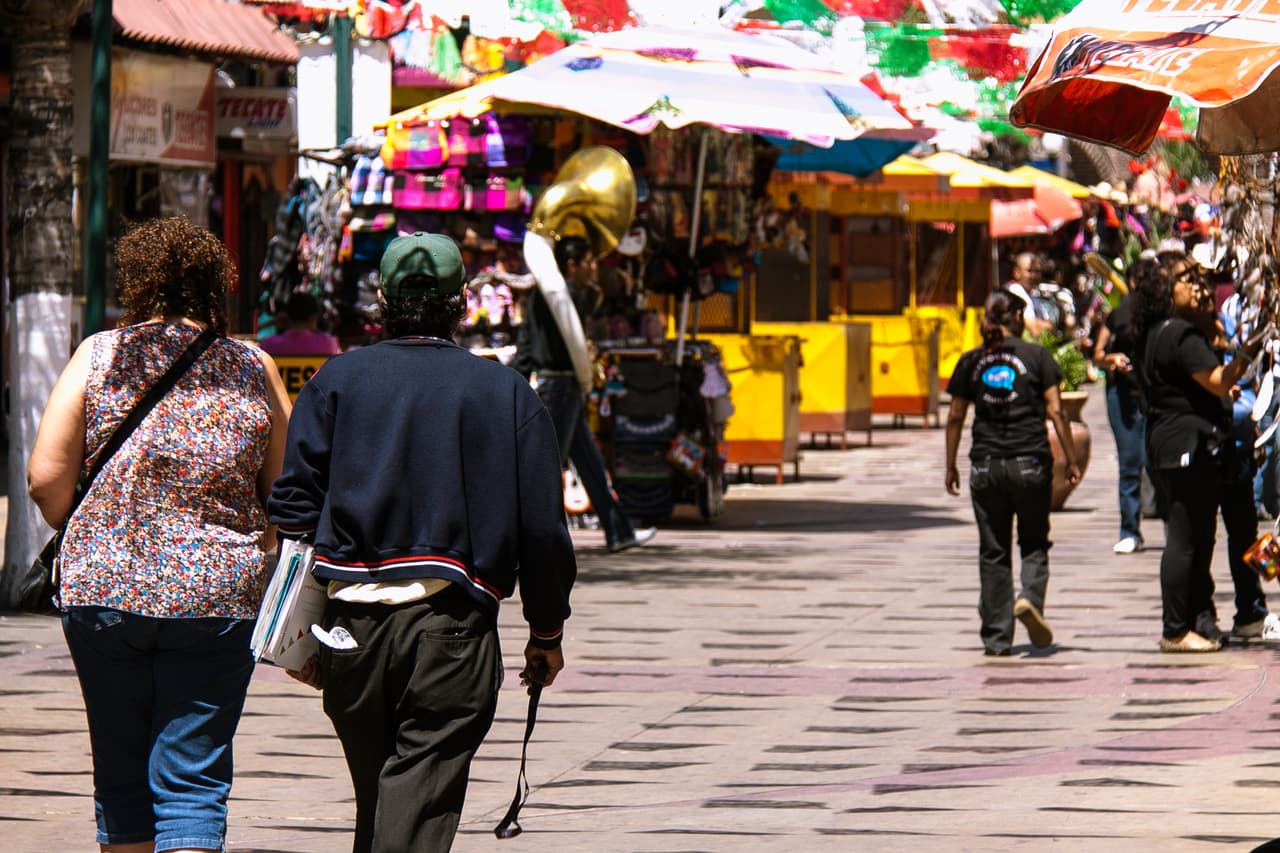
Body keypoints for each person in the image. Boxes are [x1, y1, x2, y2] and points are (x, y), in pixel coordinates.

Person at [269, 232, 576, 853]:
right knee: (411, 807)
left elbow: (294, 506)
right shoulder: (506, 393)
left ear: (380, 300)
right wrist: (545, 632)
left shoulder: (337, 381)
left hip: (349, 632)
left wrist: (296, 620)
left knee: (383, 801)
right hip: (450, 633)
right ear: (462, 301)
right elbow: (543, 529)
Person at [27, 215, 293, 853]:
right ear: (215, 286)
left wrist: (99, 531)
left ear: (138, 282)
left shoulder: (98, 355)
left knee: (119, 770)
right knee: (193, 780)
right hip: (218, 594)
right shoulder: (253, 365)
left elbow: (44, 479)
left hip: (104, 588)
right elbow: (286, 490)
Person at [1128, 249, 1263, 652]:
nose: (1197, 285)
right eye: (1186, 278)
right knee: (1186, 540)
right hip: (1186, 444)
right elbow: (1220, 381)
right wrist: (1248, 352)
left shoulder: (1158, 330)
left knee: (1198, 537)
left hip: (1170, 442)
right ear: (1167, 290)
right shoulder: (1181, 334)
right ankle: (1175, 630)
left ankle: (1197, 621)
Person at [945, 289, 1081, 656]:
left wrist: (950, 465)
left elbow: (956, 415)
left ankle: (996, 637)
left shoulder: (971, 360)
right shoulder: (1037, 356)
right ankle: (1031, 598)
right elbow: (1056, 411)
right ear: (1018, 318)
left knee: (993, 550)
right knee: (1034, 541)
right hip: (1030, 463)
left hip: (985, 466)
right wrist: (1070, 459)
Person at [513, 235, 656, 553]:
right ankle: (527, 539)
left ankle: (618, 530)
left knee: (588, 462)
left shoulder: (544, 297)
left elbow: (526, 344)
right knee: (548, 468)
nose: (593, 268)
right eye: (588, 262)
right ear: (571, 266)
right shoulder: (564, 297)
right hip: (560, 388)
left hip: (563, 388)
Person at [1214, 290, 1280, 641]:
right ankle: (1202, 615)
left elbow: (1245, 387)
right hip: (1213, 447)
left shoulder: (1224, 324)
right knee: (1200, 537)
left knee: (1242, 531)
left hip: (1238, 444)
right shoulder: (1190, 334)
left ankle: (1251, 610)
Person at [1092, 257, 1155, 554]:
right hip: (1124, 399)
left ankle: (1173, 525)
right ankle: (1130, 530)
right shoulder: (1118, 316)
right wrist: (1112, 360)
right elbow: (1098, 354)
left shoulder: (1161, 315)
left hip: (1156, 396)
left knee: (1156, 462)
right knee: (1130, 463)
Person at [259, 291, 341, 356]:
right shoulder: (328, 344)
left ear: (286, 316)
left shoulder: (267, 345)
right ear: (314, 317)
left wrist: (279, 330)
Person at [1003, 251, 1057, 338]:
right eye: (1029, 271)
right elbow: (1034, 329)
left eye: (1037, 271)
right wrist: (1045, 325)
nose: (1034, 276)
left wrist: (1044, 325)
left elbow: (1053, 328)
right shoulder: (1015, 290)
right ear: (1016, 272)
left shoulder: (1033, 294)